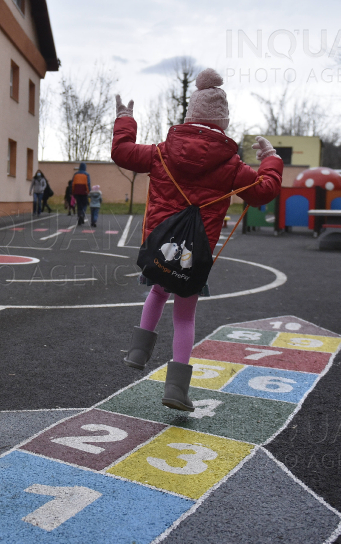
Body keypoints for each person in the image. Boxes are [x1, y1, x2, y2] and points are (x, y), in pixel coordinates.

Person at [112, 68, 283, 412]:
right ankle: (176, 388)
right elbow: (264, 192)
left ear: (191, 115)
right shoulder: (232, 166)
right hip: (195, 253)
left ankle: (137, 351)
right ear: (222, 124)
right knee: (185, 317)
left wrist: (125, 118)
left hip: (160, 246)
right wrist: (270, 159)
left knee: (157, 290)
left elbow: (123, 152)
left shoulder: (162, 152)